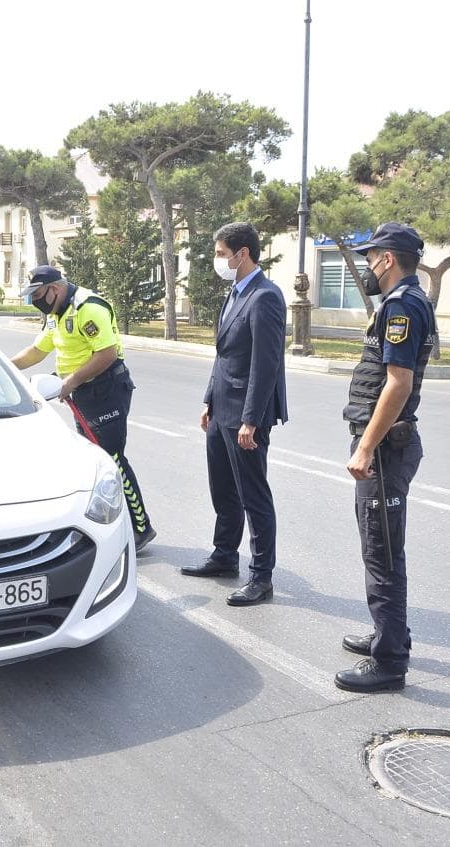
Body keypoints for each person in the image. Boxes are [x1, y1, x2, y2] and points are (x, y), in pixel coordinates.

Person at [335, 223, 437, 694]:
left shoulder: (402, 307)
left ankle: (390, 662)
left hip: (386, 451)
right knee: (380, 546)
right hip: (388, 447)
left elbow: (398, 383)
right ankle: (388, 634)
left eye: (371, 256)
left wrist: (365, 447)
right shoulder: (407, 303)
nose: (368, 264)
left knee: (383, 553)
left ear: (388, 259)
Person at [12, 265, 156, 553]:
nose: (36, 301)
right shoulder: (55, 314)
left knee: (112, 459)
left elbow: (107, 353)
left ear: (54, 289)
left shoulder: (88, 308)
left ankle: (141, 528)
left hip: (106, 391)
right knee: (95, 461)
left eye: (38, 295)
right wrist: (4, 367)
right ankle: (108, 524)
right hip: (81, 393)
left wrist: (73, 379)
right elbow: (38, 351)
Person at [183, 222, 288, 608]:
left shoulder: (265, 297)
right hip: (222, 406)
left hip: (246, 413)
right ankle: (225, 555)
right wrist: (209, 400)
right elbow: (224, 354)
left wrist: (252, 420)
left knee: (253, 495)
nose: (218, 260)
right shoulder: (235, 292)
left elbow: (266, 364)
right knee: (223, 489)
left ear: (242, 254)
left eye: (221, 253)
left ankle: (261, 577)